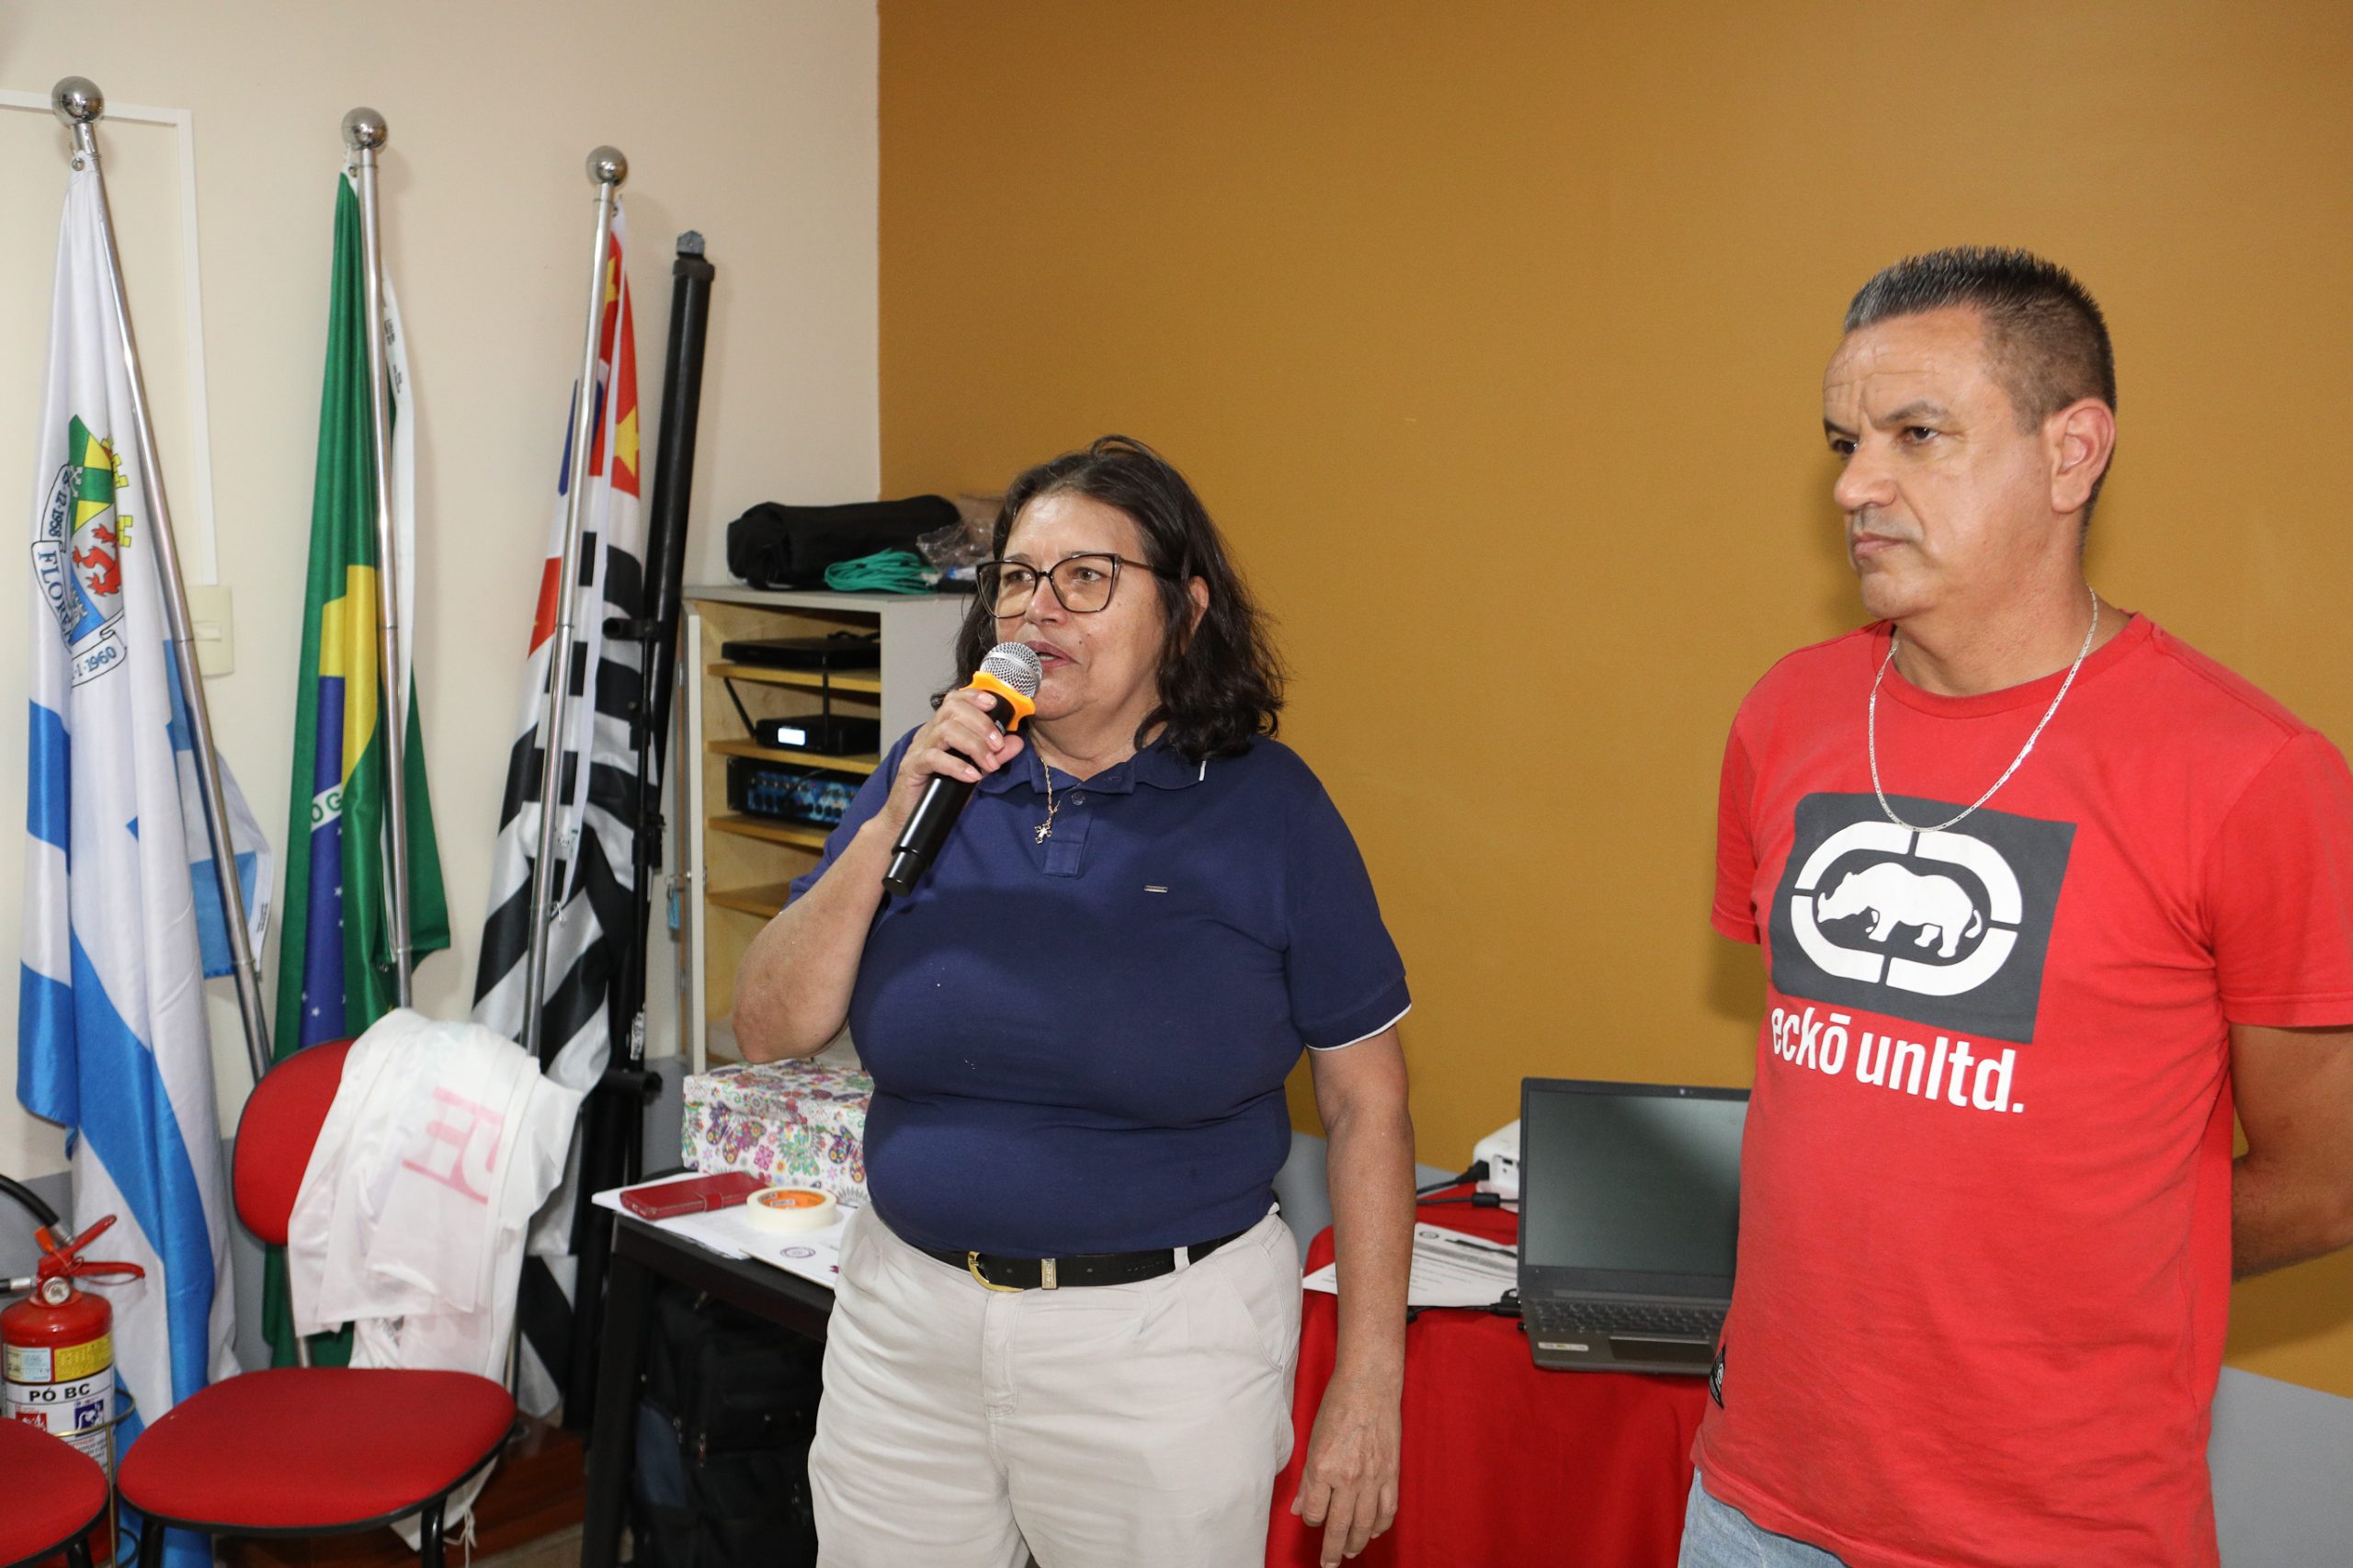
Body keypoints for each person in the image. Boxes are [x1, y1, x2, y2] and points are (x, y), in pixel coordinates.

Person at [1689, 248, 2353, 1568]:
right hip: (1755, 1496)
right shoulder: (1788, 712)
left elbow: (2330, 1181)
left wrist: (2090, 1265)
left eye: (1916, 435)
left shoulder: (2255, 777)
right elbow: (1844, 1088)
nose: (1853, 486)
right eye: (1844, 439)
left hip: (2051, 1528)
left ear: (2072, 452)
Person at [733, 436, 1415, 1568]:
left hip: (1159, 1348)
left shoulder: (1268, 809)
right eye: (1015, 576)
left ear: (1184, 612)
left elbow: (1367, 1105)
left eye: (1085, 578)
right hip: (906, 1326)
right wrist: (895, 807)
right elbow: (766, 1027)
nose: (1038, 609)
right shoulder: (927, 773)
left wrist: (1369, 1380)